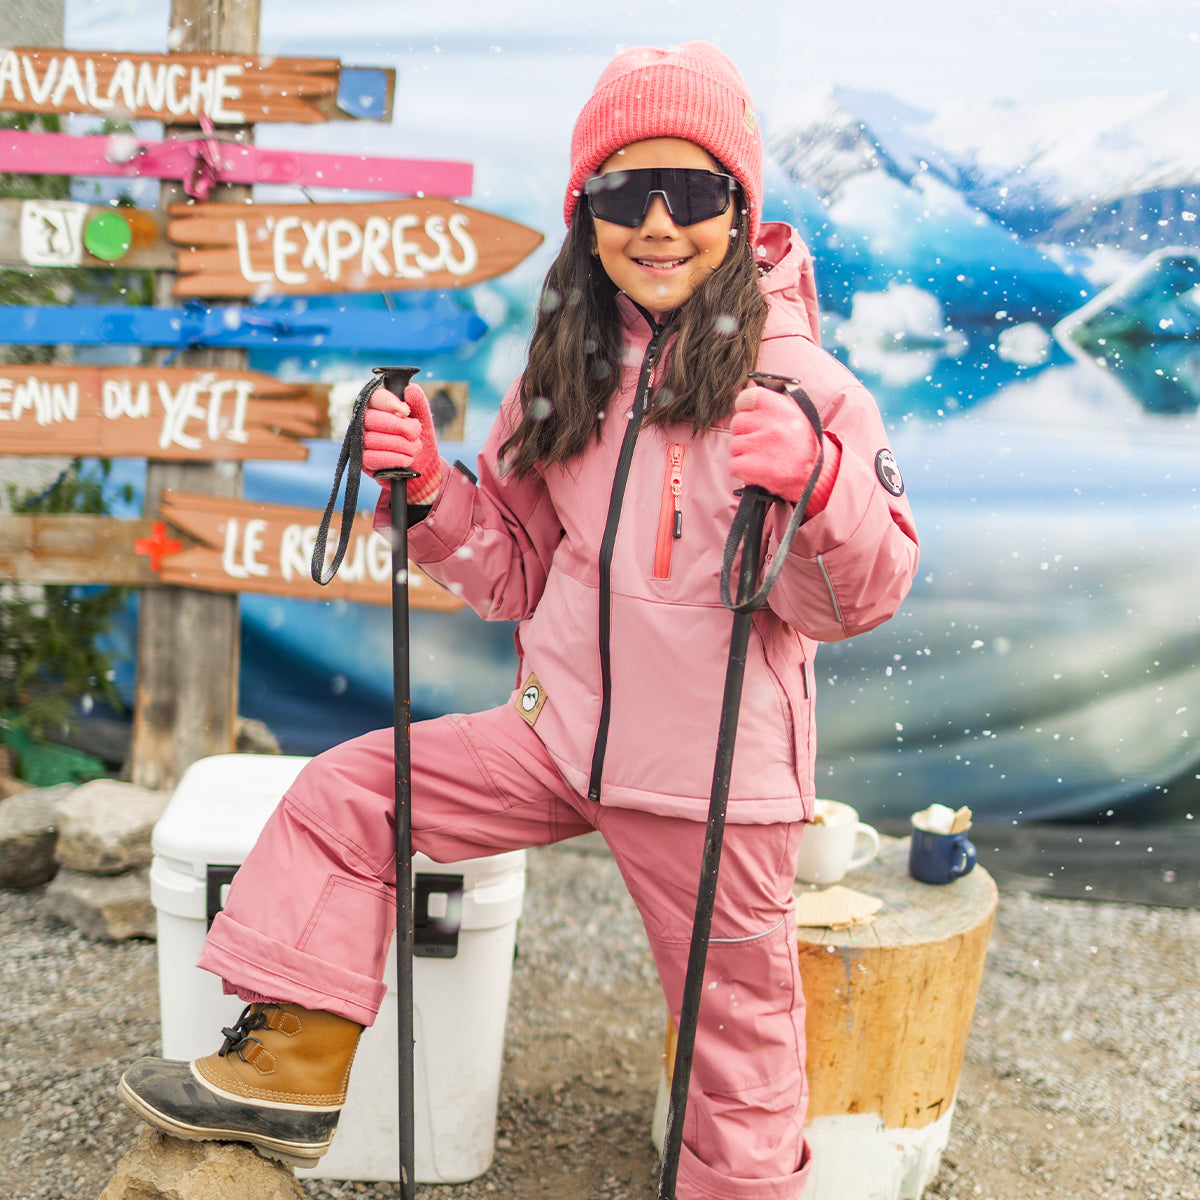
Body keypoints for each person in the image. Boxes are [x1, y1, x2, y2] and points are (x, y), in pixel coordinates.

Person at [118, 41, 918, 1200]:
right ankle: (287, 1071)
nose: (658, 223)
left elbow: (860, 598)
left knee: (737, 1056)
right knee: (351, 796)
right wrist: (429, 493)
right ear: (585, 211)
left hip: (709, 781)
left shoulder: (804, 387)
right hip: (557, 736)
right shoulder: (569, 366)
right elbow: (516, 575)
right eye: (623, 192)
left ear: (740, 209)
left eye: (690, 191)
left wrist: (821, 482)